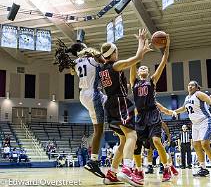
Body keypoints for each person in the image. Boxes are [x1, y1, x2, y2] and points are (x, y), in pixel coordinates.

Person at [99, 29, 151, 186]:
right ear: (113, 53)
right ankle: (127, 169)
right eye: (117, 51)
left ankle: (112, 174)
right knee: (132, 135)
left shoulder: (102, 69)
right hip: (120, 102)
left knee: (123, 141)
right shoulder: (115, 65)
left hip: (109, 105)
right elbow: (137, 58)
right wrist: (141, 41)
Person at [54, 40, 106, 178]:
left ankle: (93, 161)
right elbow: (104, 61)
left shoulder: (76, 63)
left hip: (83, 95)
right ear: (84, 49)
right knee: (116, 104)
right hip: (94, 94)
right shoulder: (92, 59)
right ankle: (94, 160)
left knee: (98, 129)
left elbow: (72, 71)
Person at [130, 35, 177, 182]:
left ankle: (166, 168)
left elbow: (163, 62)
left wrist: (167, 47)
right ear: (138, 72)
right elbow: (134, 61)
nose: (142, 68)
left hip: (153, 114)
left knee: (156, 141)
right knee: (136, 145)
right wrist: (140, 45)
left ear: (148, 72)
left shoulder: (152, 80)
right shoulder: (134, 81)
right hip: (140, 117)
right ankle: (138, 170)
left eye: (145, 67)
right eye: (141, 67)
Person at [174, 81, 211, 177]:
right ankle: (203, 168)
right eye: (189, 85)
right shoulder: (187, 98)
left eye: (192, 85)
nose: (190, 86)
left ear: (197, 87)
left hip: (205, 121)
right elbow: (183, 108)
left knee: (205, 144)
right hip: (195, 124)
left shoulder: (198, 94)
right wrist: (173, 112)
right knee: (196, 145)